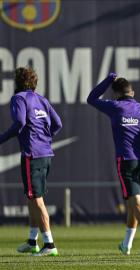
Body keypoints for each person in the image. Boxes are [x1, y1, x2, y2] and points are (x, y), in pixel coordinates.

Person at [87, 73, 140, 255]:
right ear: (133, 92)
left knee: (135, 200)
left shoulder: (115, 106)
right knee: (132, 204)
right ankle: (126, 244)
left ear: (116, 94)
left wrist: (108, 79)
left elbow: (91, 98)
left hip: (126, 160)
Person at [0, 67, 62, 256]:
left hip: (32, 155)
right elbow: (58, 123)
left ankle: (50, 245)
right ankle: (32, 240)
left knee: (37, 199)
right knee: (32, 197)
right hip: (45, 153)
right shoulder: (42, 99)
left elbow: (19, 122)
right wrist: (45, 138)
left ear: (17, 83)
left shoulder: (19, 98)